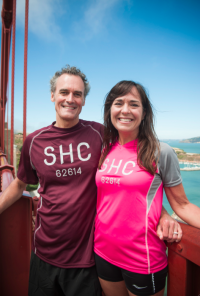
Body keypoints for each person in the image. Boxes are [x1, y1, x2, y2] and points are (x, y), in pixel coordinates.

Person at [0, 66, 181, 296]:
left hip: (86, 260)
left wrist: (162, 213)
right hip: (43, 253)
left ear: (84, 100)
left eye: (78, 94)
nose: (70, 99)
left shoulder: (101, 136)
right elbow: (19, 184)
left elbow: (133, 178)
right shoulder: (33, 141)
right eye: (64, 92)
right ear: (52, 95)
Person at [94, 80, 200, 296]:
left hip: (143, 258)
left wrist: (164, 213)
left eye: (134, 104)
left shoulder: (161, 151)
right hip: (102, 252)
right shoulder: (104, 148)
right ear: (110, 110)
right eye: (118, 103)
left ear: (144, 112)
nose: (125, 110)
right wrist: (161, 213)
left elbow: (182, 204)